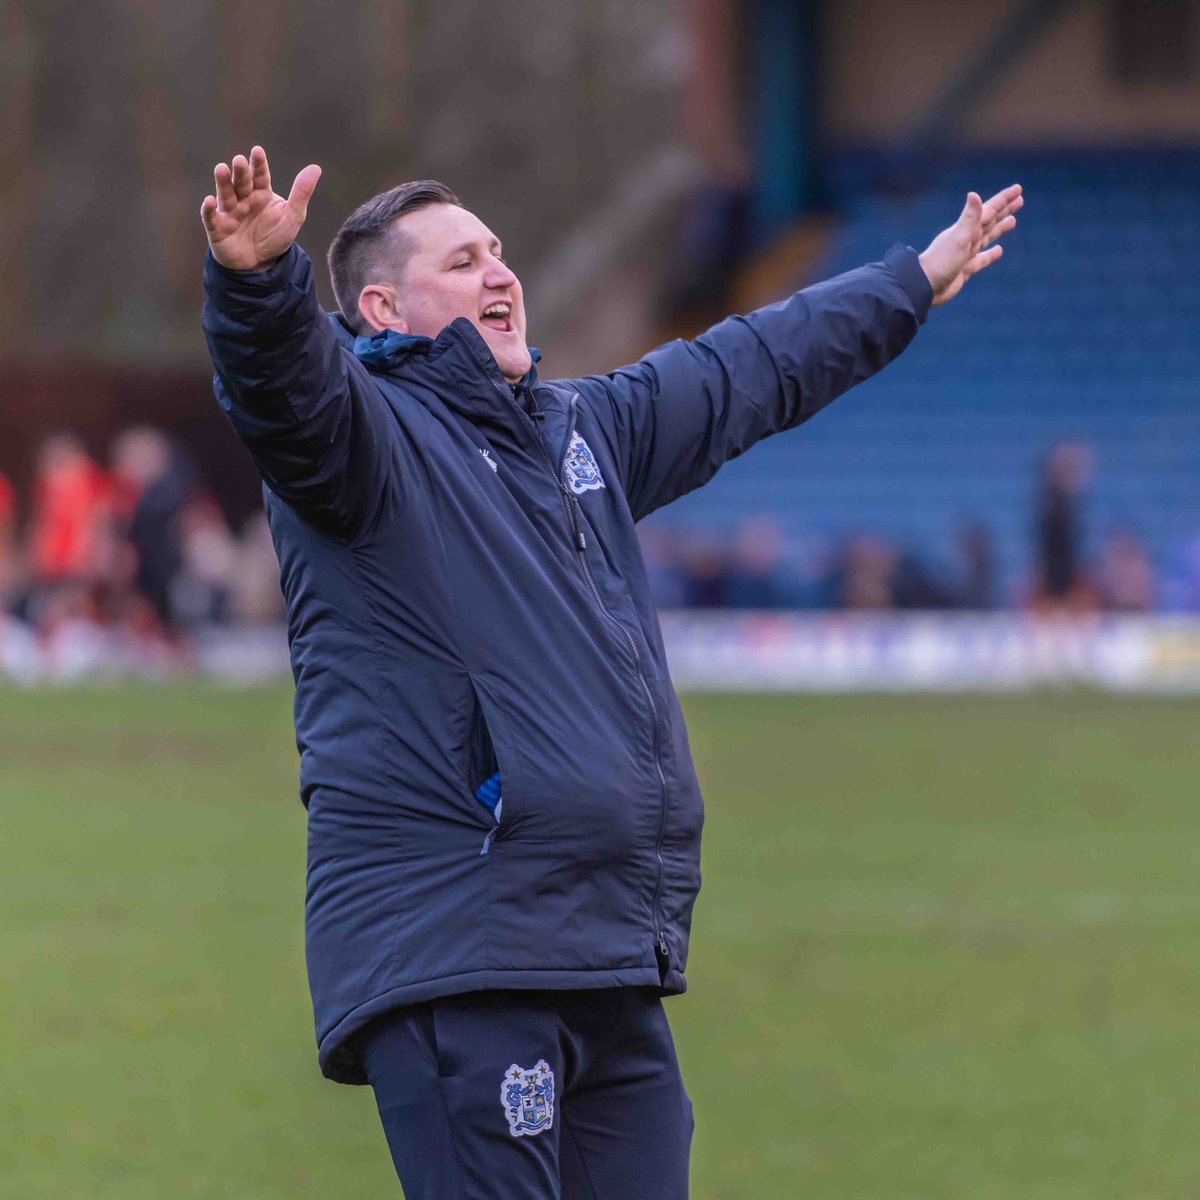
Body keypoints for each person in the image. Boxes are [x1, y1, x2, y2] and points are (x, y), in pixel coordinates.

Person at [200, 145, 1021, 1197]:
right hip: (465, 949)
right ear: (383, 309)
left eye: (498, 252)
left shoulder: (577, 430)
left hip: (602, 954)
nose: (501, 273)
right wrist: (260, 282)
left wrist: (910, 280)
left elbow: (747, 369)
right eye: (461, 262)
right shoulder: (364, 444)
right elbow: (281, 389)